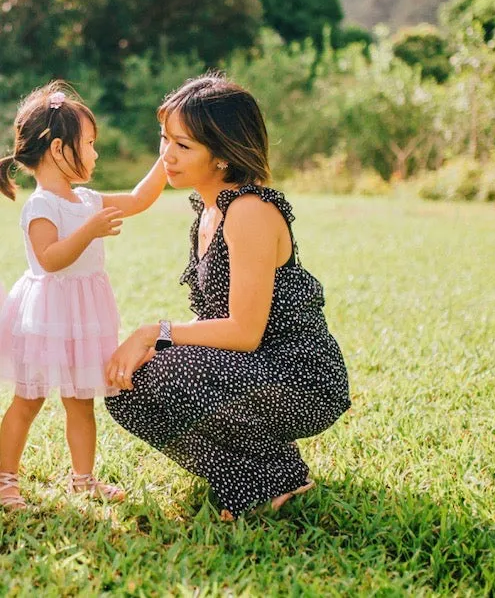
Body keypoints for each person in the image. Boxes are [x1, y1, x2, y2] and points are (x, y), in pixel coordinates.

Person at [104, 73, 351, 521]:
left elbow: (245, 331)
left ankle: (275, 477)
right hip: (251, 369)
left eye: (183, 146)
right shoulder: (207, 209)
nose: (167, 156)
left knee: (165, 371)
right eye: (164, 140)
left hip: (301, 379)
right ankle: (257, 480)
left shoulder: (249, 211)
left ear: (221, 154)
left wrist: (151, 333)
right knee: (123, 387)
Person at [0, 81, 167, 510]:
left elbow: (137, 198)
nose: (95, 154)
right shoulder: (41, 206)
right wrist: (89, 230)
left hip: (84, 315)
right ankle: (5, 479)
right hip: (47, 315)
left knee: (80, 402)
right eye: (89, 144)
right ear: (59, 149)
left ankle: (83, 478)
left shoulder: (88, 198)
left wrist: (167, 159)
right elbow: (51, 259)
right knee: (28, 399)